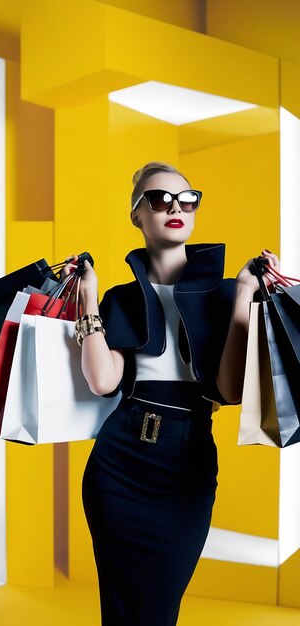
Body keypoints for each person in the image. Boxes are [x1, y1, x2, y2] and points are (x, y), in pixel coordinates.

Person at [67, 162, 280, 626]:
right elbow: (103, 381)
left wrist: (244, 294)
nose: (176, 208)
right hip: (118, 468)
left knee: (159, 610)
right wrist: (88, 298)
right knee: (121, 611)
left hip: (186, 469)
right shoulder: (120, 299)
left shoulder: (226, 295)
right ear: (137, 215)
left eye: (187, 200)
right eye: (160, 199)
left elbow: (227, 390)